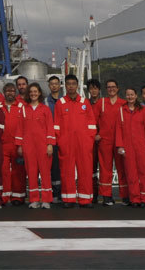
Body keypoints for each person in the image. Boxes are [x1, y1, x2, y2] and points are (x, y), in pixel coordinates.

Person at [54, 74, 98, 208]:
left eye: (74, 83)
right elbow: (56, 125)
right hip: (66, 143)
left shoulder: (85, 103)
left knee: (85, 170)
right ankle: (69, 199)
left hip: (83, 143)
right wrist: (60, 140)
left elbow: (91, 124)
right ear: (65, 86)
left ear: (77, 85)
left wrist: (89, 140)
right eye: (69, 84)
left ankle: (86, 199)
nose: (71, 86)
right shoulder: (60, 103)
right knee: (67, 171)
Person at [16, 82, 54, 209]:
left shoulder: (45, 109)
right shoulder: (23, 109)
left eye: (35, 91)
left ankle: (46, 199)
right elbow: (20, 128)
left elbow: (50, 128)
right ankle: (34, 199)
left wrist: (50, 144)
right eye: (31, 92)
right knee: (31, 173)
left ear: (39, 93)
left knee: (45, 173)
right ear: (28, 94)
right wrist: (20, 145)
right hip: (28, 146)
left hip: (43, 145)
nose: (33, 94)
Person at [116, 88, 145, 207]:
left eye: (132, 95)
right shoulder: (122, 110)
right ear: (125, 96)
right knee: (131, 173)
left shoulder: (143, 110)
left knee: (144, 172)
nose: (130, 97)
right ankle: (135, 198)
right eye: (128, 95)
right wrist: (120, 146)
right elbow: (118, 130)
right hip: (128, 146)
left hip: (142, 145)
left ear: (136, 96)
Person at [94, 78, 126, 206]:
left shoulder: (123, 103)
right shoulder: (101, 103)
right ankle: (106, 196)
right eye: (108, 87)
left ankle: (125, 195)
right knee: (105, 168)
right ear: (106, 89)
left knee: (122, 168)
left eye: (113, 87)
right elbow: (92, 120)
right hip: (105, 140)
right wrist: (96, 134)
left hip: (120, 141)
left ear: (118, 89)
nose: (111, 89)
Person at [0, 82, 26, 205]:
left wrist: (22, 143)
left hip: (17, 145)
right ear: (4, 93)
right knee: (3, 171)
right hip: (2, 144)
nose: (10, 93)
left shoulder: (22, 107)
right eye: (7, 91)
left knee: (18, 172)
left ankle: (18, 197)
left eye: (12, 91)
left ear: (15, 93)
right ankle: (5, 197)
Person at [46, 75, 63, 202]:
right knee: (54, 168)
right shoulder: (45, 103)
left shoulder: (64, 101)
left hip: (65, 138)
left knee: (65, 167)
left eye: (56, 83)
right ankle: (56, 193)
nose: (54, 86)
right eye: (52, 83)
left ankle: (66, 192)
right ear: (49, 86)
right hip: (52, 140)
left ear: (60, 85)